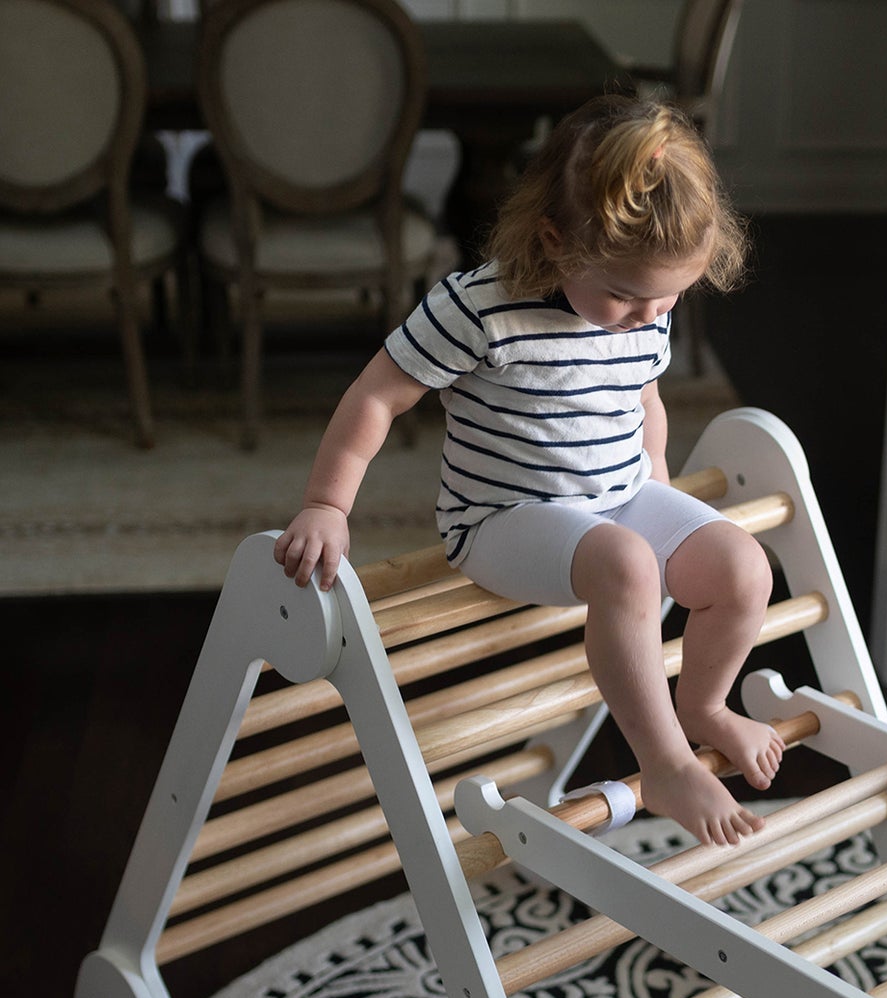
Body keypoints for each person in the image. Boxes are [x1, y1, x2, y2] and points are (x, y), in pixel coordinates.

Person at [274, 94, 783, 847]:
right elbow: (378, 395)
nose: (647, 315)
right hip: (502, 520)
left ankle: (703, 705)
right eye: (623, 294)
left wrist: (661, 483)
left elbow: (642, 397)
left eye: (668, 296)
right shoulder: (480, 307)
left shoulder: (643, 310)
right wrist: (325, 503)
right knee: (626, 564)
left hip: (618, 495)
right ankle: (666, 761)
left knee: (742, 565)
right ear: (555, 240)